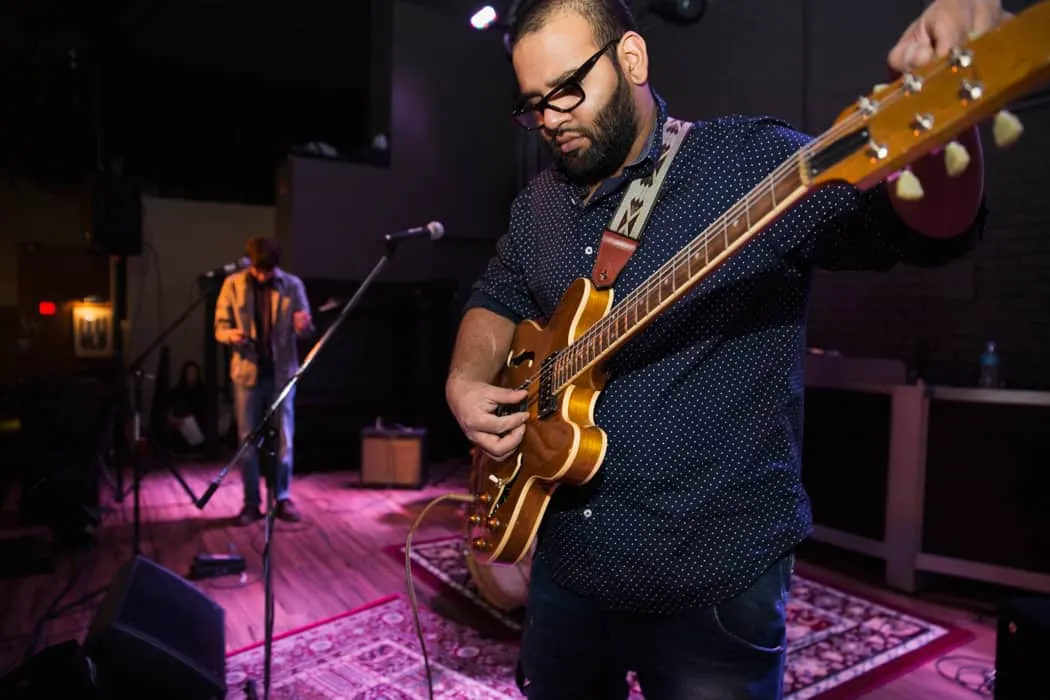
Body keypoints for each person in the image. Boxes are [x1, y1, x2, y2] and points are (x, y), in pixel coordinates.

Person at [444, 0, 1001, 697]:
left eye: (566, 89)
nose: (552, 117)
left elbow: (925, 230)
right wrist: (464, 380)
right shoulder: (538, 208)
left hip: (711, 579)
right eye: (533, 106)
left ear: (633, 59)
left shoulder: (746, 163)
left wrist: (955, 130)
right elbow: (496, 298)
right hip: (567, 569)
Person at [215, 236, 313, 524]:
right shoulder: (232, 284)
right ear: (250, 264)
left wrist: (303, 326)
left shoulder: (292, 285)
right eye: (259, 270)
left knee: (284, 438)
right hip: (247, 373)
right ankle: (250, 503)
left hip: (282, 373)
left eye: (268, 271)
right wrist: (230, 335)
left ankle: (282, 498)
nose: (263, 276)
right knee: (247, 440)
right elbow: (219, 327)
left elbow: (306, 328)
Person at [167, 360, 207, 453]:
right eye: (189, 373)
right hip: (181, 428)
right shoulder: (177, 391)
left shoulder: (202, 391)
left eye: (194, 373)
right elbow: (169, 414)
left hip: (200, 429)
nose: (192, 376)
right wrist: (175, 420)